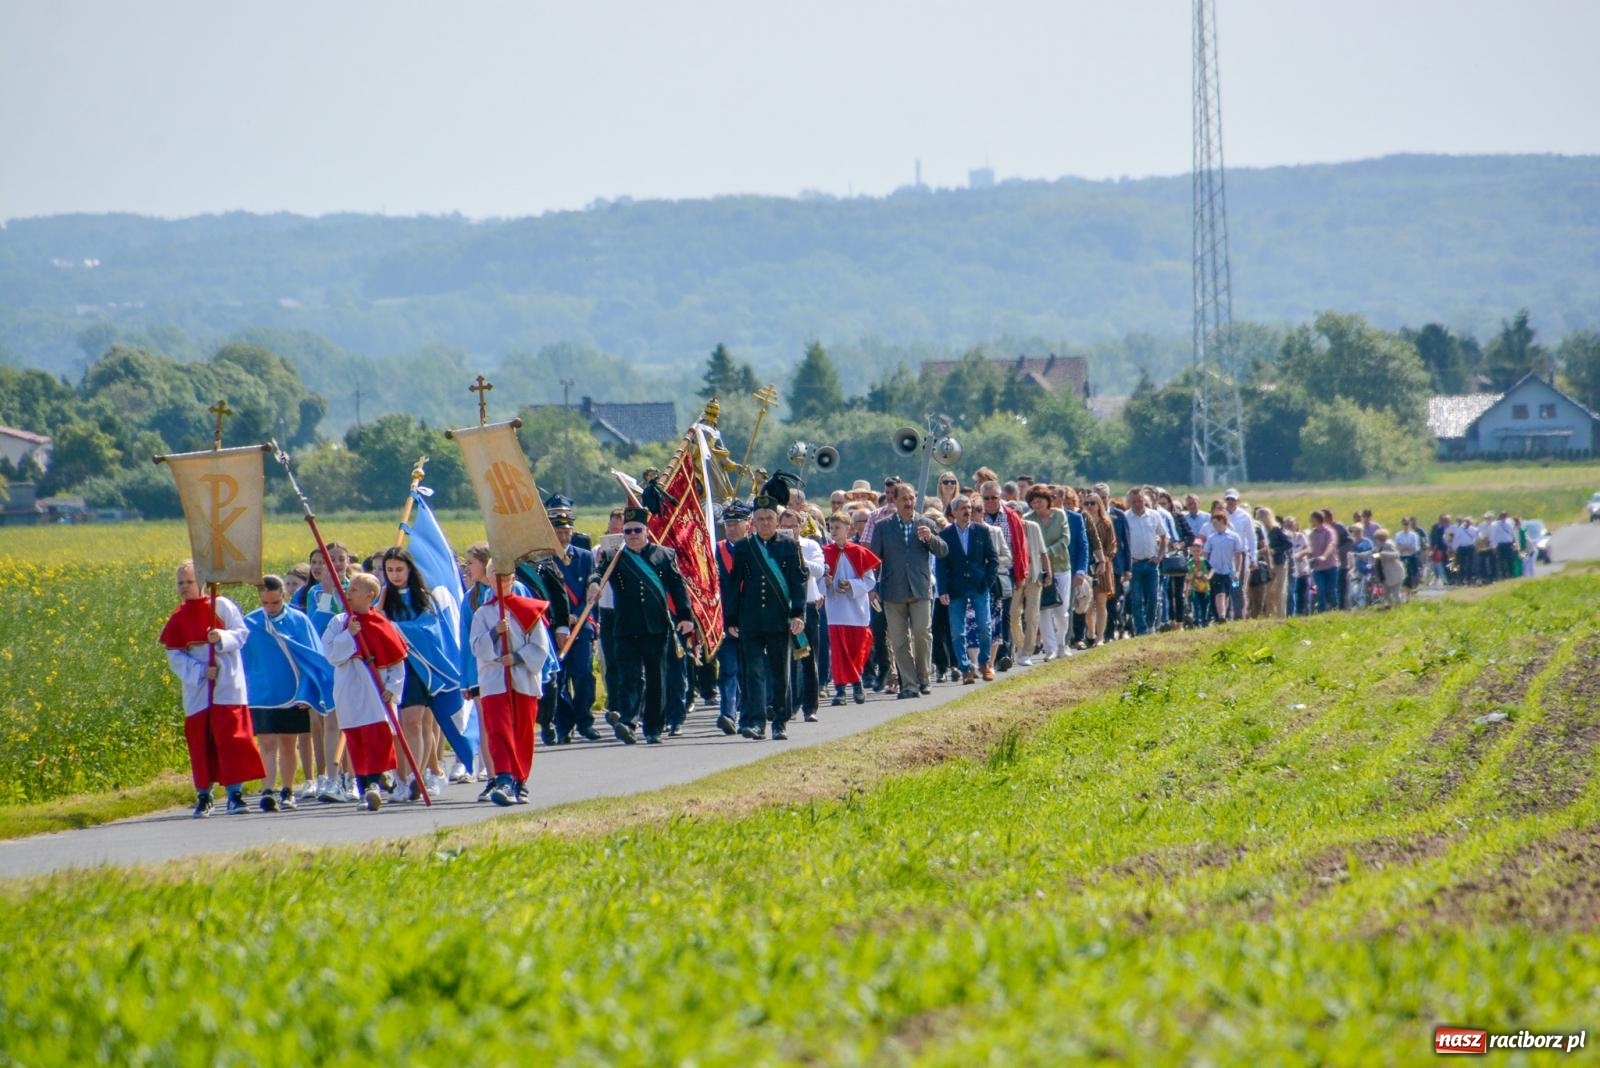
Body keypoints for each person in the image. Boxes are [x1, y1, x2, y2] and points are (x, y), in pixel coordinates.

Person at [161, 561, 267, 817]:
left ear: (202, 582)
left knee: (231, 741)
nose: (184, 587)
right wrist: (200, 671)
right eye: (180, 583)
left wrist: (221, 637)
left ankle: (235, 794)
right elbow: (174, 654)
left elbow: (241, 634)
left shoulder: (222, 606)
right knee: (202, 743)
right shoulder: (178, 617)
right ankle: (204, 795)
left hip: (226, 685)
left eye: (189, 582)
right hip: (199, 689)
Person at [586, 506, 695, 744]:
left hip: (657, 628)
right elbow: (597, 573)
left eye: (637, 530)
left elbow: (678, 587)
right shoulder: (614, 556)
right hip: (625, 627)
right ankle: (628, 722)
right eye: (628, 531)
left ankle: (653, 728)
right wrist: (594, 584)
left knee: (657, 679)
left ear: (646, 531)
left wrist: (686, 617)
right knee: (629, 677)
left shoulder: (664, 555)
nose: (633, 535)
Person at [241, 574, 333, 812]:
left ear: (283, 596)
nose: (270, 607)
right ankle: (267, 790)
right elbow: (242, 659)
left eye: (275, 602)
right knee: (266, 743)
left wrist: (308, 693)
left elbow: (312, 657)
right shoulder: (250, 622)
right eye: (265, 603)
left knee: (288, 743)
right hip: (261, 693)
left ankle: (288, 790)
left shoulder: (298, 620)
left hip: (293, 692)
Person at [379, 546, 462, 803]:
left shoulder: (423, 598)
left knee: (416, 721)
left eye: (399, 569)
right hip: (392, 668)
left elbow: (429, 630)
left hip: (419, 667)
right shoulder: (383, 598)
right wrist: (379, 616)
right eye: (390, 570)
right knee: (398, 727)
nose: (395, 575)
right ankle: (404, 778)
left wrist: (394, 627)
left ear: (409, 569)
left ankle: (417, 775)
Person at [320, 572, 407, 812]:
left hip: (375, 692)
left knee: (376, 738)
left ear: (370, 595)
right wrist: (349, 634)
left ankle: (374, 784)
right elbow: (331, 654)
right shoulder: (339, 622)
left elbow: (396, 663)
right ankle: (363, 787)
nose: (348, 592)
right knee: (356, 739)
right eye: (349, 588)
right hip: (348, 688)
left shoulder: (382, 624)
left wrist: (392, 688)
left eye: (355, 589)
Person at [725, 493, 807, 740]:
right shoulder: (744, 547)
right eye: (760, 518)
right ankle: (757, 722)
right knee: (753, 672)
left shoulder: (789, 546)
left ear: (777, 520)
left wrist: (798, 613)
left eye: (769, 518)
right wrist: (731, 619)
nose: (765, 523)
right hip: (751, 619)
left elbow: (798, 582)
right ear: (753, 521)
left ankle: (780, 722)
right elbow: (734, 585)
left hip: (778, 618)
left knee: (780, 673)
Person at [469, 570, 552, 806]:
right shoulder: (483, 614)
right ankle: (504, 778)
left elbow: (540, 647)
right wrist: (495, 633)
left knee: (522, 731)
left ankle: (520, 781)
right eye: (496, 577)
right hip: (495, 681)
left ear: (513, 579)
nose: (501, 582)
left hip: (522, 680)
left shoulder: (529, 610)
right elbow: (476, 646)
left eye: (505, 578)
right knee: (498, 730)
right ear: (488, 579)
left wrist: (517, 657)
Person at [868, 482, 949, 699]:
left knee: (922, 633)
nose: (909, 502)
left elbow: (943, 551)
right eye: (904, 498)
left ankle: (924, 677)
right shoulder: (883, 527)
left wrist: (931, 538)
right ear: (894, 500)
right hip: (892, 591)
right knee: (899, 640)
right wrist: (872, 587)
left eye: (911, 498)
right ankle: (909, 684)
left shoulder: (926, 523)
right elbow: (874, 560)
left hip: (920, 589)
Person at [294, 542, 353, 803]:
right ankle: (329, 775)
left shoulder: (354, 587)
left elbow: (350, 620)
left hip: (349, 662)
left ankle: (350, 776)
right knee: (328, 721)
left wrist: (338, 594)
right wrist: (328, 593)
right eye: (331, 559)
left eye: (340, 559)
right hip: (325, 664)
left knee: (347, 721)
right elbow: (318, 625)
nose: (336, 564)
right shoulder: (315, 592)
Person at [550, 511, 603, 744]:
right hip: (555, 627)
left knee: (583, 675)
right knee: (558, 679)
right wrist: (562, 618)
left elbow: (591, 589)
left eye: (567, 532)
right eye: (559, 532)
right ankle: (563, 724)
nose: (563, 537)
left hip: (581, 625)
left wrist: (577, 615)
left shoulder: (584, 557)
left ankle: (585, 721)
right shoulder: (545, 559)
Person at [937, 494, 999, 682]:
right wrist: (943, 590)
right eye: (963, 508)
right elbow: (941, 565)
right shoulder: (945, 535)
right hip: (956, 588)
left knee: (984, 626)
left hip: (979, 585)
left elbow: (993, 559)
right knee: (957, 631)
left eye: (969, 508)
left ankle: (985, 664)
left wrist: (988, 581)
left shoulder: (981, 531)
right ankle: (965, 669)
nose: (967, 511)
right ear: (954, 512)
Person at [822, 511, 880, 705]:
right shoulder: (825, 552)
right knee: (839, 652)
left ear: (848, 529)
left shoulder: (859, 552)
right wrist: (827, 583)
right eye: (831, 527)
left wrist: (852, 585)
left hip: (857, 610)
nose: (834, 531)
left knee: (857, 650)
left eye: (838, 527)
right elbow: (820, 581)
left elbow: (869, 581)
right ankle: (841, 689)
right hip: (836, 610)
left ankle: (856, 682)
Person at [778, 506, 826, 722]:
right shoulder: (774, 546)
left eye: (793, 526)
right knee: (784, 659)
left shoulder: (810, 545)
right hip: (782, 607)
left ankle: (810, 707)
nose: (789, 530)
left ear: (800, 526)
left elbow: (819, 569)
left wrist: (796, 555)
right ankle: (787, 706)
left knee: (807, 658)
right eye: (784, 526)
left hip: (806, 607)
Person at [713, 501, 751, 734]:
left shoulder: (756, 549)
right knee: (728, 670)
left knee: (749, 672)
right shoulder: (716, 551)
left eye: (736, 523)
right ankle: (727, 714)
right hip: (724, 621)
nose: (731, 528)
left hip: (751, 621)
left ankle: (747, 714)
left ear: (748, 524)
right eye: (728, 524)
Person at [1025, 486, 1069, 659]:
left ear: (1047, 500)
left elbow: (1065, 539)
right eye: (1033, 502)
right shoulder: (1027, 519)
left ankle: (1061, 643)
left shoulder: (1060, 515)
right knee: (1043, 610)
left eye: (1040, 501)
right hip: (1039, 570)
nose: (1037, 504)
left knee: (1061, 611)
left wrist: (1046, 552)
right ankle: (1050, 649)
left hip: (1061, 567)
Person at [1122, 489, 1168, 637]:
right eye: (1134, 501)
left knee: (1153, 597)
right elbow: (1120, 540)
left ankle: (1150, 624)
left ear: (1144, 500)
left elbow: (1164, 536)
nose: (1137, 504)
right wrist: (1127, 560)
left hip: (1151, 563)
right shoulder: (1126, 517)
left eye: (1140, 501)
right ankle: (1141, 629)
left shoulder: (1154, 515)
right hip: (1134, 564)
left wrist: (1160, 556)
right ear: (1130, 502)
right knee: (1136, 599)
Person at [1203, 512, 1246, 623]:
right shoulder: (1211, 538)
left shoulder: (1234, 536)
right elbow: (1206, 554)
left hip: (1229, 571)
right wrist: (1205, 569)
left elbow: (1238, 554)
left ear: (1223, 522)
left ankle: (1225, 615)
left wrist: (1237, 571)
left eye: (1216, 523)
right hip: (1215, 570)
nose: (1214, 526)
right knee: (1219, 593)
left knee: (1227, 593)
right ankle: (1221, 616)